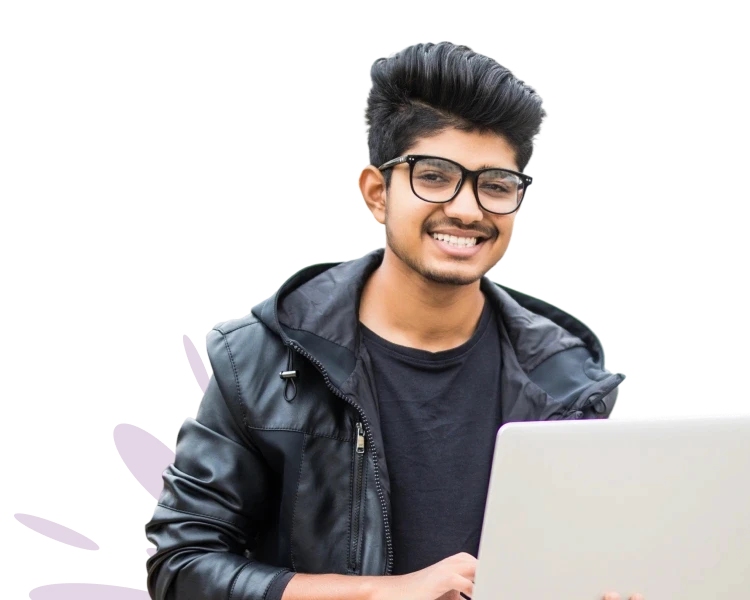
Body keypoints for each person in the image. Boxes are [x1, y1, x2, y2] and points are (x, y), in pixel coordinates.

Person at [144, 41, 638, 600]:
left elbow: (584, 554)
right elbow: (179, 564)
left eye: (496, 185)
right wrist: (379, 594)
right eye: (435, 176)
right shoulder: (260, 359)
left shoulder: (565, 375)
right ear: (376, 194)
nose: (468, 209)